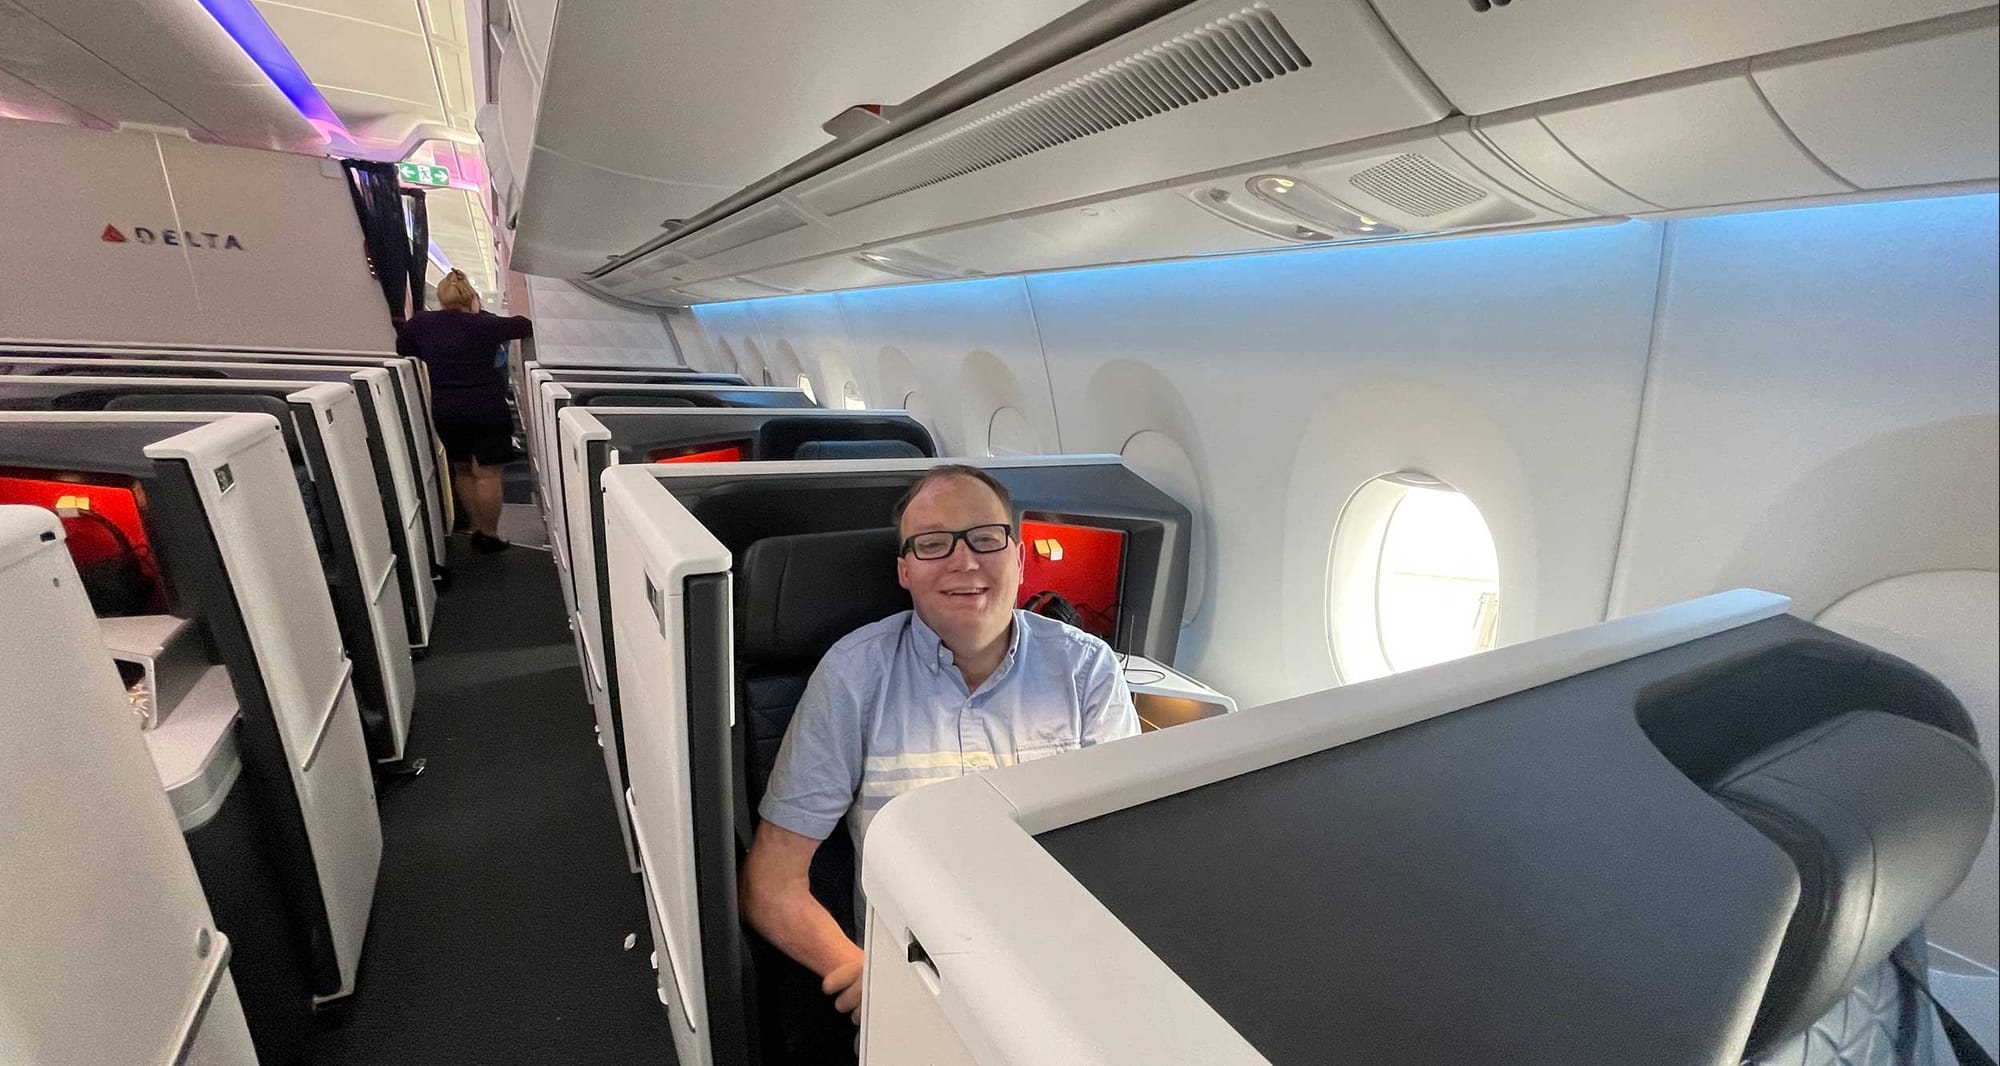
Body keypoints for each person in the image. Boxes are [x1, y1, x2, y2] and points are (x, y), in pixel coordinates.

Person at [739, 464, 1139, 1023]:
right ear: (904, 571)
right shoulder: (855, 675)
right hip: (918, 989)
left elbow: (1122, 851)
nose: (965, 561)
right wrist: (859, 972)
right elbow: (771, 882)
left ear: (1019, 557)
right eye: (933, 545)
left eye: (985, 539)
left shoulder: (1085, 668)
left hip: (1063, 976)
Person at [395, 270, 531, 553]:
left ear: (442, 299)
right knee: (488, 474)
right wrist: (479, 313)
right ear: (471, 299)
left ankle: (476, 528)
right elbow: (524, 325)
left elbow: (404, 347)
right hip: (485, 404)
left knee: (463, 469)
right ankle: (490, 535)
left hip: (446, 406)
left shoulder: (421, 324)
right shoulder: (484, 325)